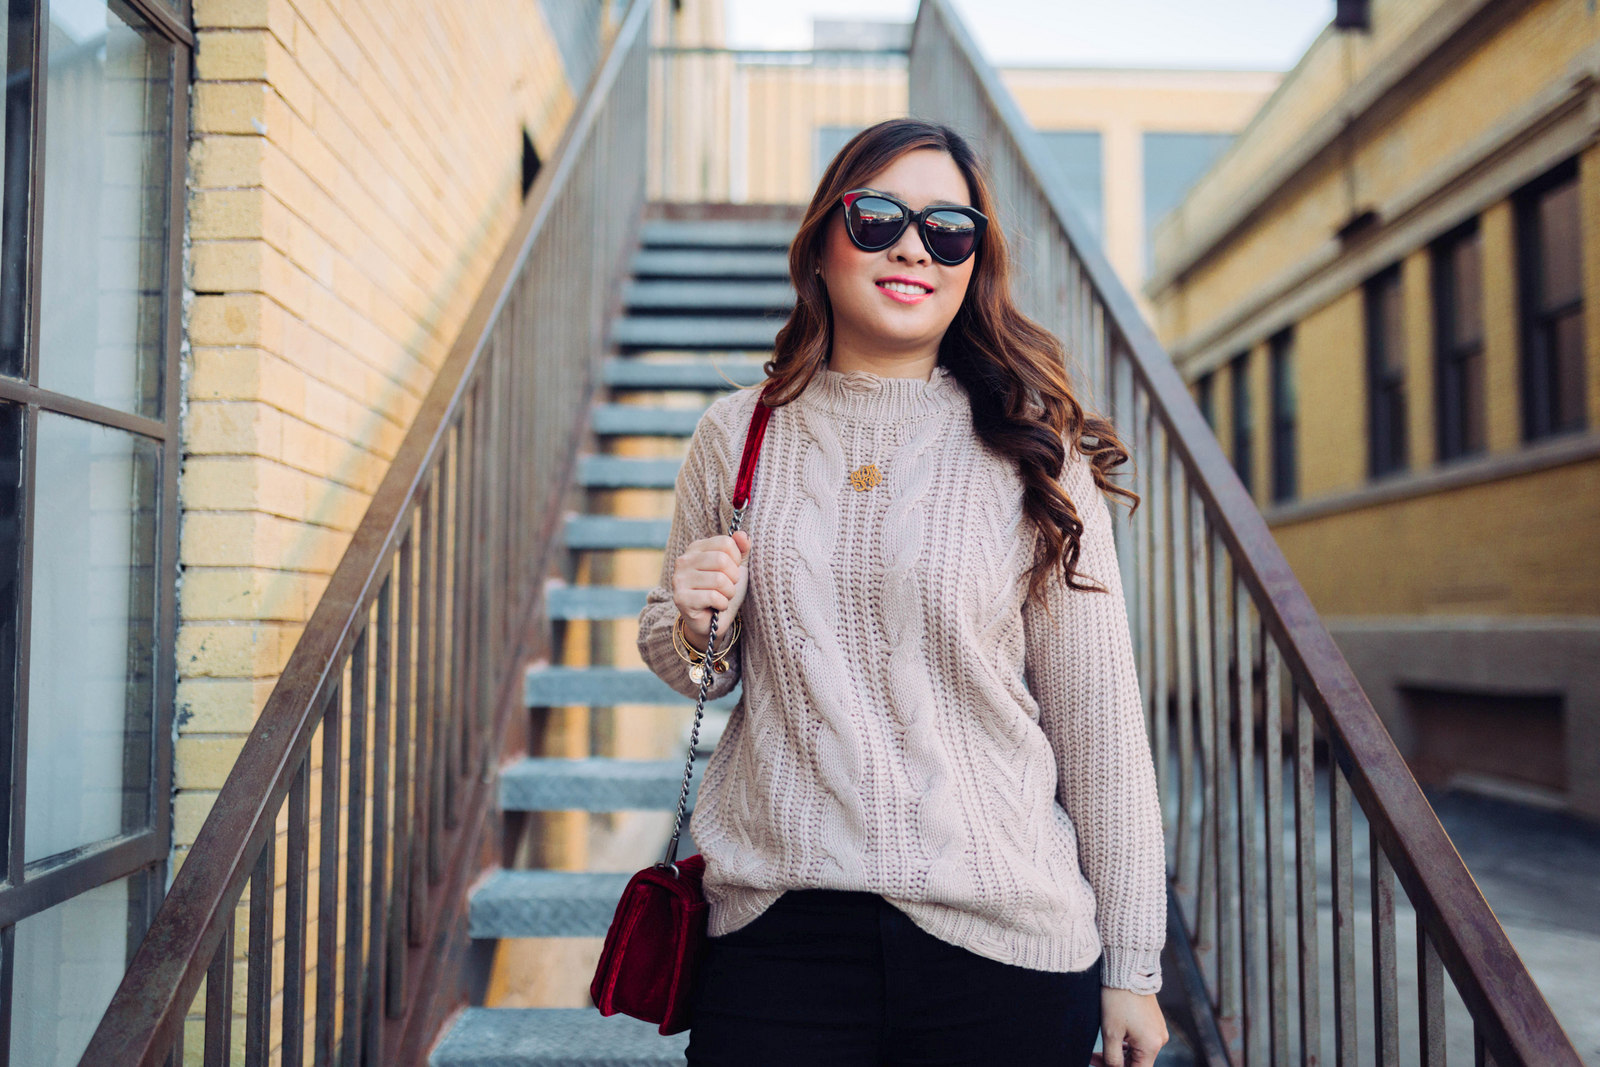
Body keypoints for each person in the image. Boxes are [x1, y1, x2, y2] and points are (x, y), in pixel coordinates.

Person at [636, 117, 1170, 1067]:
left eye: (949, 228)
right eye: (879, 216)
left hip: (1004, 940)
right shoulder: (737, 435)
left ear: (973, 261)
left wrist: (1134, 962)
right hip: (775, 931)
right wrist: (687, 618)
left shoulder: (1031, 449)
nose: (915, 246)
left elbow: (1101, 724)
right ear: (824, 242)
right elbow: (698, 668)